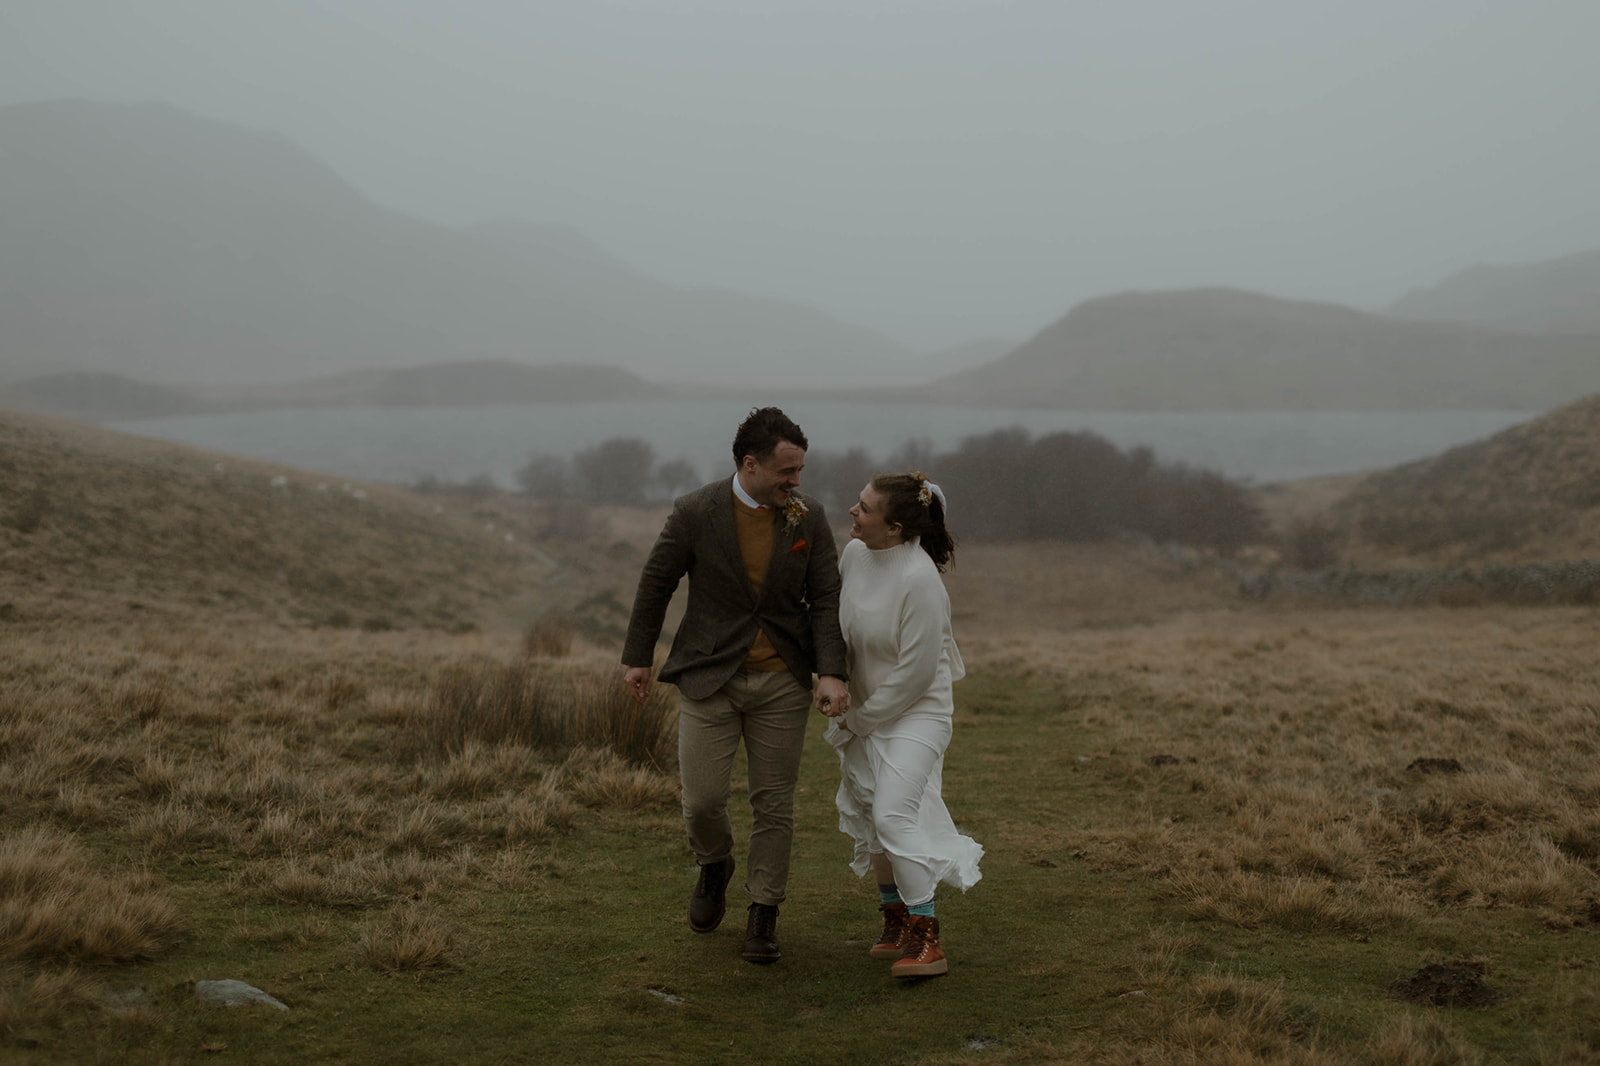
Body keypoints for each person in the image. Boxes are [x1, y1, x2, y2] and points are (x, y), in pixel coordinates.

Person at [622, 407, 849, 964]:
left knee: (774, 805)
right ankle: (713, 863)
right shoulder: (695, 511)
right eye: (787, 472)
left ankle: (764, 912)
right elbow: (657, 582)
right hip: (708, 676)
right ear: (750, 465)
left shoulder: (808, 518)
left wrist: (832, 671)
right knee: (701, 801)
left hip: (782, 682)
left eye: (799, 472)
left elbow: (825, 597)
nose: (796, 482)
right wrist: (638, 659)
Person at [822, 471, 982, 978]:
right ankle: (894, 920)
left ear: (894, 528)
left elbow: (915, 678)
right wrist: (830, 680)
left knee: (893, 815)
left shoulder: (920, 580)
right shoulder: (853, 556)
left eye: (865, 508)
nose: (853, 510)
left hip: (918, 714)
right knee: (873, 817)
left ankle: (926, 935)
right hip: (867, 712)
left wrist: (860, 720)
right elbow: (837, 627)